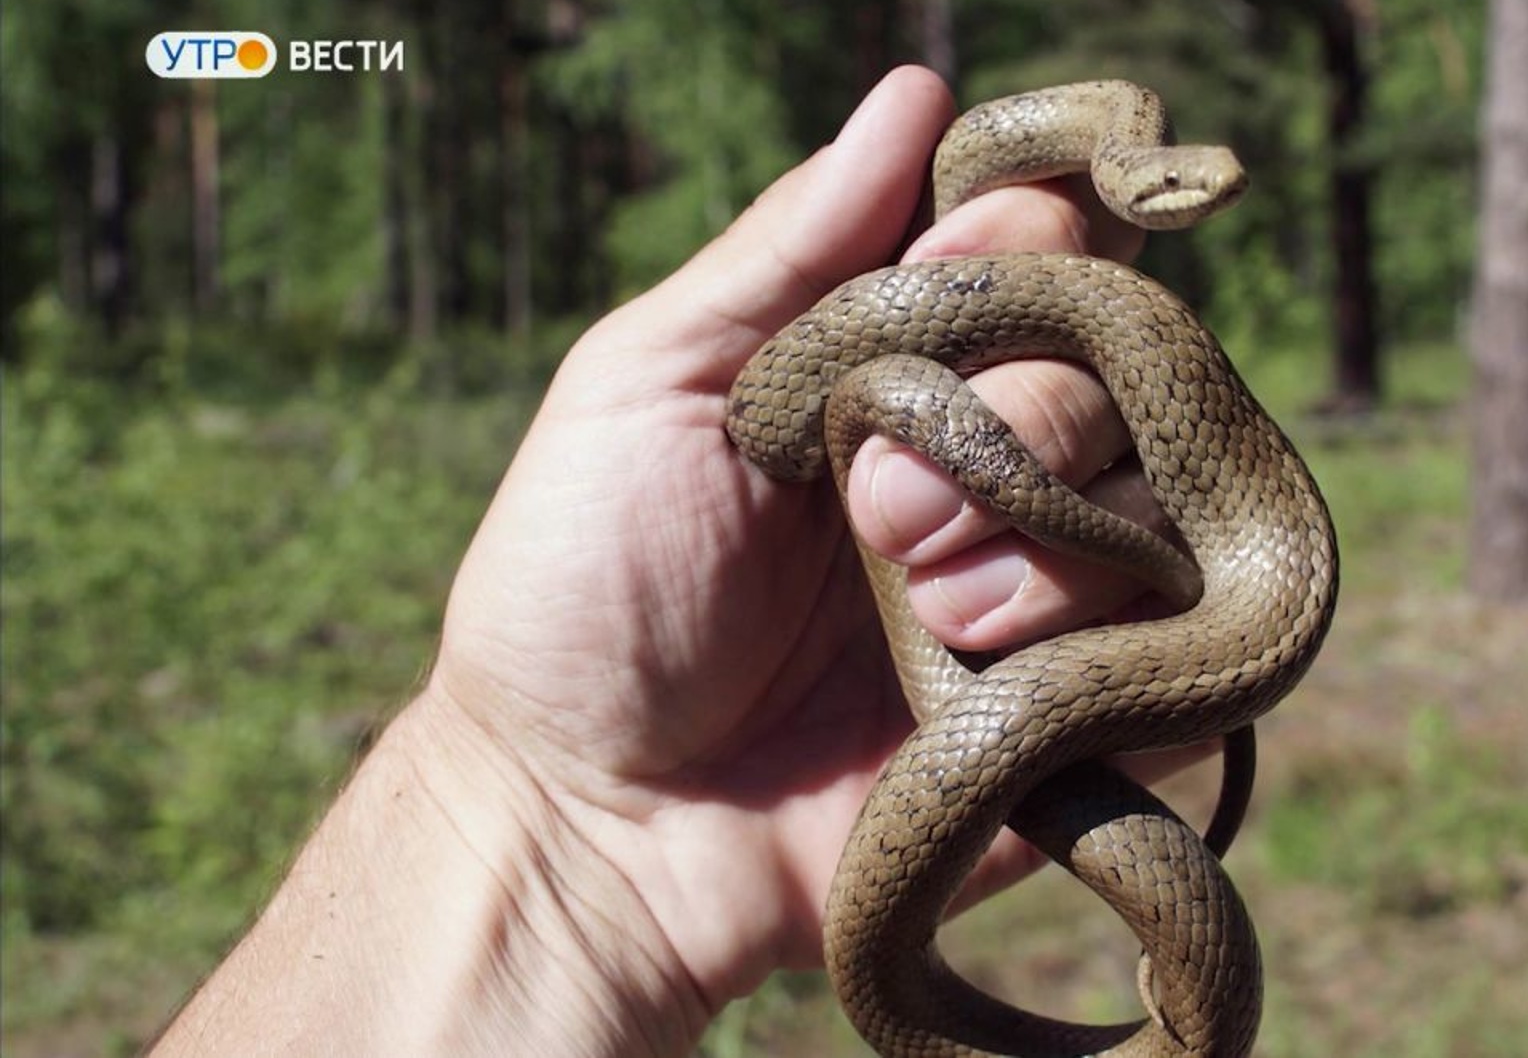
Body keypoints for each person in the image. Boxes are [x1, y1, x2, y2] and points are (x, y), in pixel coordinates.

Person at [149, 65, 1213, 1057]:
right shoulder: (1076, 161)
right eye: (1173, 190)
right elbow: (772, 421)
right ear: (1131, 174)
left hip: (918, 687)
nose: (1204, 195)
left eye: (1197, 190)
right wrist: (533, 795)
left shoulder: (1120, 165)